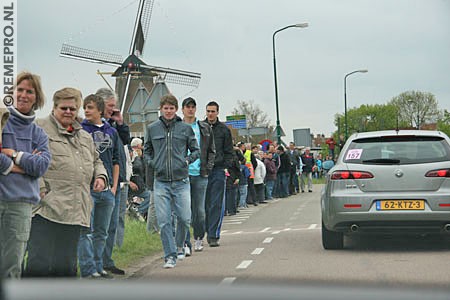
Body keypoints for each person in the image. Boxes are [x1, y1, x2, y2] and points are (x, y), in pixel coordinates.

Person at [26, 87, 107, 277]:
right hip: (46, 210)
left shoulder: (85, 137)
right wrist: (41, 188)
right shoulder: (38, 129)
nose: (68, 112)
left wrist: (101, 176)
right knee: (39, 265)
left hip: (75, 211)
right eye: (64, 108)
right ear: (54, 108)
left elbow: (97, 161)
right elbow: (28, 160)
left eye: (72, 108)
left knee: (67, 267)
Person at [0, 71, 51, 278]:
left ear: (37, 98)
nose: (23, 95)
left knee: (12, 265)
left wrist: (13, 154)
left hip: (20, 205)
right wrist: (19, 166)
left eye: (29, 91)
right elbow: (33, 164)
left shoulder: (38, 133)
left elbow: (41, 167)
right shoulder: (2, 121)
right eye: (19, 89)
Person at [144, 94, 199, 268]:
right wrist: (153, 163)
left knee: (184, 218)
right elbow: (146, 151)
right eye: (165, 108)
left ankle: (180, 244)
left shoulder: (185, 128)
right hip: (161, 181)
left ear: (176, 110)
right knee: (164, 220)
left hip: (181, 180)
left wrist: (187, 160)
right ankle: (170, 255)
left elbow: (196, 150)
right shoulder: (152, 128)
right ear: (161, 109)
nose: (168, 111)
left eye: (171, 108)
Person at [78, 94, 121, 278]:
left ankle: (99, 265)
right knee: (86, 231)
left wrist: (114, 186)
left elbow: (116, 159)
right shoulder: (80, 130)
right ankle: (88, 269)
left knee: (102, 232)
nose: (86, 110)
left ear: (100, 110)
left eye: (90, 107)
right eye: (85, 107)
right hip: (88, 188)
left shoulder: (111, 131)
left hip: (107, 190)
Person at [95, 88, 130, 275]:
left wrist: (120, 122)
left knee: (113, 224)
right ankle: (97, 262)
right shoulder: (94, 128)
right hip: (103, 181)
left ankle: (107, 260)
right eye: (110, 106)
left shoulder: (113, 126)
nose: (113, 110)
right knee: (100, 225)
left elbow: (126, 141)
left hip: (118, 180)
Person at [181, 97, 215, 253]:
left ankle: (199, 238)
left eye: (192, 107)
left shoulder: (204, 127)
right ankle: (185, 242)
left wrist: (207, 167)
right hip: (182, 174)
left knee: (200, 210)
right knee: (184, 210)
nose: (190, 109)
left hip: (200, 173)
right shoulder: (177, 127)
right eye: (187, 107)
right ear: (182, 109)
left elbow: (211, 150)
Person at [204, 101, 233, 247]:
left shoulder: (224, 130)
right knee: (203, 203)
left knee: (216, 203)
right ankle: (203, 230)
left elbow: (229, 151)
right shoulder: (200, 127)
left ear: (217, 112)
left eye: (213, 111)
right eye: (208, 111)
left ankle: (213, 234)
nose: (210, 114)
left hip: (218, 170)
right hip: (202, 170)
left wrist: (225, 165)